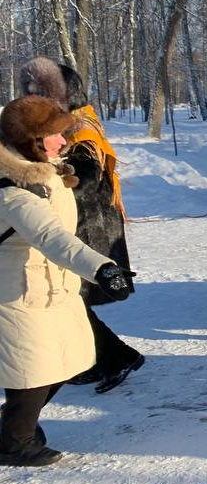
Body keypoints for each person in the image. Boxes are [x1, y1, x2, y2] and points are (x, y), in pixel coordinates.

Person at [0, 96, 131, 467]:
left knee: (69, 360)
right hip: (19, 293)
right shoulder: (13, 190)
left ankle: (13, 427)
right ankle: (14, 442)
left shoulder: (46, 171)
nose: (64, 142)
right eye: (55, 135)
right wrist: (102, 268)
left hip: (52, 287)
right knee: (32, 371)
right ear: (29, 141)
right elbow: (52, 238)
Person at [20, 57, 143, 393]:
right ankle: (97, 359)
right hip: (77, 225)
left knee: (72, 301)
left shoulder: (81, 129)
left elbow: (85, 177)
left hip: (88, 229)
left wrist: (50, 183)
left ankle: (116, 357)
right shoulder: (68, 124)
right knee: (71, 302)